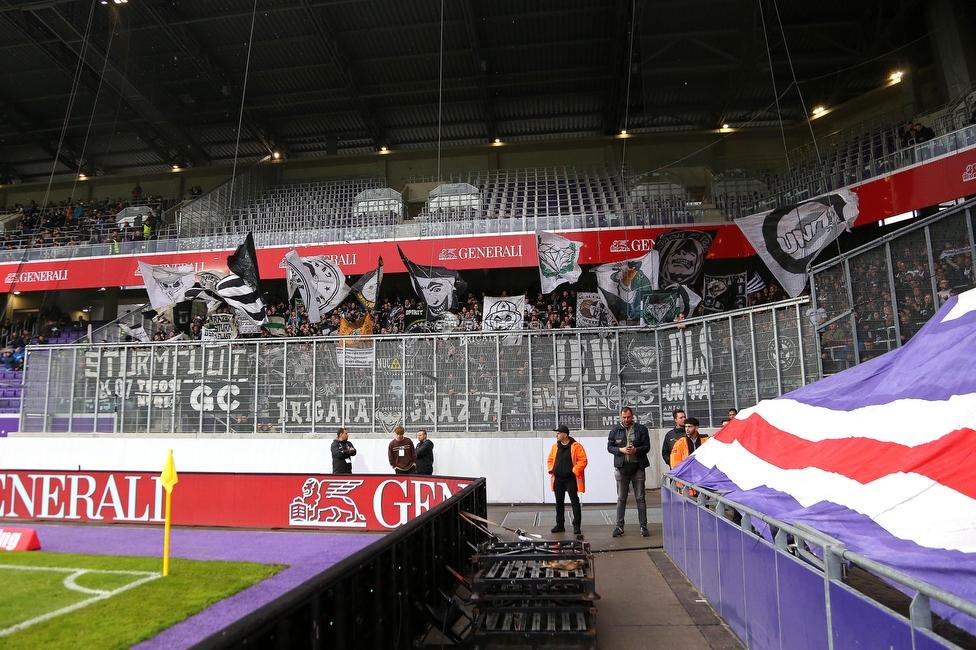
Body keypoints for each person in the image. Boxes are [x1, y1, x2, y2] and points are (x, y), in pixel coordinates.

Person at [607, 406, 650, 538]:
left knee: (640, 498)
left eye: (629, 417)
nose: (626, 419)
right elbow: (609, 447)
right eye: (624, 417)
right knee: (621, 498)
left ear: (633, 416)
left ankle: (643, 527)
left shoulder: (641, 429)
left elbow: (647, 447)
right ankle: (619, 526)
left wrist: (636, 450)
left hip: (638, 467)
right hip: (621, 468)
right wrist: (621, 450)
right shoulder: (615, 430)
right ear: (621, 416)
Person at [547, 425, 587, 535]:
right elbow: (550, 460)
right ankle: (560, 525)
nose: (556, 435)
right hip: (558, 478)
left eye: (558, 433)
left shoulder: (576, 446)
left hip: (570, 478)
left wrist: (574, 471)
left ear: (565, 435)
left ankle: (576, 525)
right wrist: (552, 470)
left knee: (574, 502)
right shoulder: (555, 447)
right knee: (559, 503)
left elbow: (583, 460)